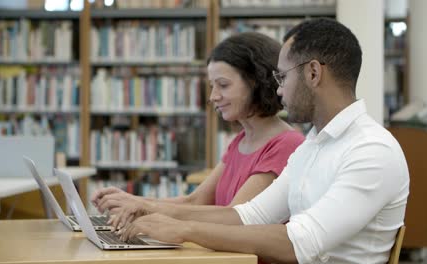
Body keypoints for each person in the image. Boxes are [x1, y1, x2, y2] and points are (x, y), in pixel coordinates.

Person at [115, 18, 410, 264]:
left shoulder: (371, 150)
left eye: (282, 77)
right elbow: (250, 215)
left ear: (313, 72)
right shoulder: (314, 145)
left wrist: (183, 229)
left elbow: (300, 243)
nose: (278, 91)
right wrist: (154, 211)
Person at [91, 32, 305, 229]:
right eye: (212, 86)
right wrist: (133, 201)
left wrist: (146, 207)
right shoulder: (240, 141)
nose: (213, 96)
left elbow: (234, 218)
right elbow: (194, 201)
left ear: (257, 83)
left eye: (223, 85)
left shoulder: (286, 145)